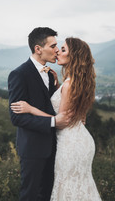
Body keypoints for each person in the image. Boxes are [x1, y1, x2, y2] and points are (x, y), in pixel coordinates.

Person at [11, 37, 101, 200]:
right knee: (79, 187)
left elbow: (61, 121)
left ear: (74, 57)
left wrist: (31, 109)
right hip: (81, 139)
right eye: (56, 47)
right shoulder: (76, 82)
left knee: (67, 189)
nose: (58, 51)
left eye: (63, 49)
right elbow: (70, 110)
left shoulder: (69, 84)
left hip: (70, 143)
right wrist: (58, 87)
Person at [8, 27, 71, 201]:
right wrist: (53, 123)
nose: (57, 50)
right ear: (38, 49)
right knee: (30, 195)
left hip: (54, 147)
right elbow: (17, 117)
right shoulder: (19, 74)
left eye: (57, 46)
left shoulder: (51, 75)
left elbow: (53, 107)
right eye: (53, 46)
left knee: (48, 195)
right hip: (33, 148)